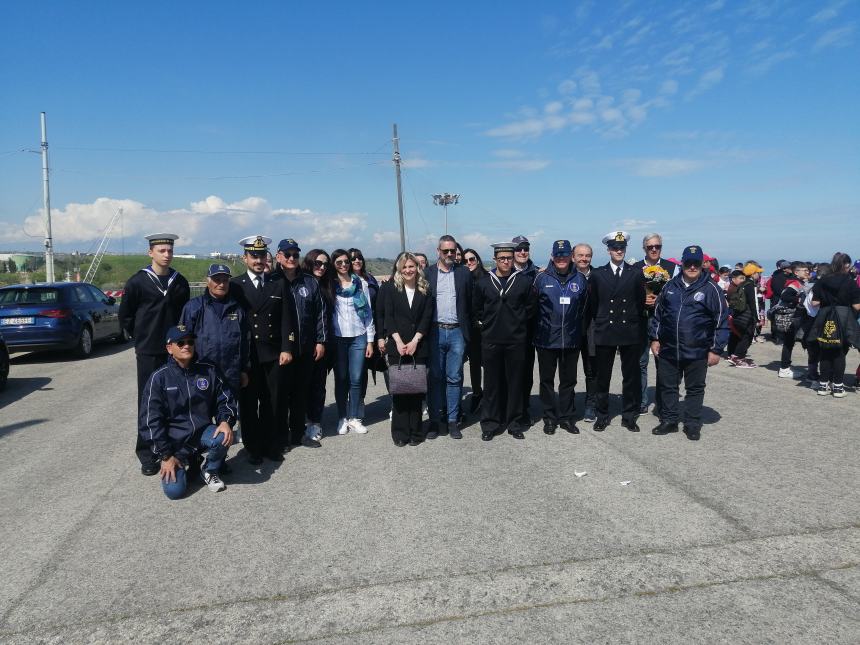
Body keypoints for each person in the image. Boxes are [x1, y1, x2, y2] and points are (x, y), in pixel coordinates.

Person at [119, 233, 190, 476]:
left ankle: (176, 448)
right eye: (161, 250)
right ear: (151, 252)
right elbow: (126, 316)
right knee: (149, 402)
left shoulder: (179, 282)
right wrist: (141, 338)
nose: (167, 254)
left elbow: (184, 317)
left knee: (177, 400)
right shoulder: (138, 282)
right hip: (149, 351)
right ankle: (148, 454)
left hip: (175, 351)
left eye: (169, 250)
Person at [140, 325, 238, 499]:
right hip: (174, 444)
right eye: (180, 342)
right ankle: (186, 461)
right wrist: (166, 456)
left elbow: (226, 398)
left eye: (190, 342)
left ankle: (209, 470)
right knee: (175, 492)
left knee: (223, 435)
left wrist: (225, 421)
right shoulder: (159, 378)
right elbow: (150, 421)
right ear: (169, 348)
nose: (187, 346)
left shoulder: (208, 369)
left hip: (201, 433)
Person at [649, 245, 729, 441]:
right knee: (668, 386)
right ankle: (669, 420)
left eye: (696, 263)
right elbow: (658, 315)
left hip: (697, 350)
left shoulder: (712, 289)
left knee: (694, 388)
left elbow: (721, 321)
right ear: (682, 262)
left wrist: (716, 349)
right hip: (669, 348)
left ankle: (692, 423)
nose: (692, 267)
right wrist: (655, 338)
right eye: (688, 262)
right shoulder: (669, 286)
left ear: (703, 264)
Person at [230, 235, 296, 464]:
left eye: (261, 255)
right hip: (248, 355)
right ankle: (253, 447)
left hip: (273, 353)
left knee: (273, 402)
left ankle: (272, 444)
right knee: (248, 405)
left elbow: (288, 318)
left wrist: (287, 347)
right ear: (245, 258)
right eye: (253, 255)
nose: (258, 260)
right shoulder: (235, 286)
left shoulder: (277, 283)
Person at [472, 242, 536, 441]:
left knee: (515, 383)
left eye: (509, 258)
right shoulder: (483, 282)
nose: (506, 262)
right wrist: (487, 326)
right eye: (502, 259)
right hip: (491, 340)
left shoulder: (524, 281)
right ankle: (491, 423)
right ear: (495, 260)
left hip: (516, 341)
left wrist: (517, 324)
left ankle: (514, 422)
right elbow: (477, 309)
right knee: (491, 384)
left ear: (513, 258)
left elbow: (531, 308)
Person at [589, 231, 647, 432]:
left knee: (630, 376)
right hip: (606, 330)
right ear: (608, 250)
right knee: (602, 377)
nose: (619, 251)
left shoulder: (635, 273)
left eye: (622, 248)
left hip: (629, 330)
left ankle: (629, 416)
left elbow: (640, 303)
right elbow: (593, 303)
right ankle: (602, 415)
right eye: (615, 248)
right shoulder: (598, 274)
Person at [532, 240, 589, 435]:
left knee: (568, 382)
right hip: (546, 339)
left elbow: (584, 308)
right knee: (546, 381)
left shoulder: (580, 280)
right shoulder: (541, 279)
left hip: (571, 340)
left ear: (570, 256)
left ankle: (566, 418)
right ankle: (549, 418)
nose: (561, 258)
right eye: (558, 255)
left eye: (565, 255)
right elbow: (533, 309)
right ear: (552, 256)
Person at [275, 238, 327, 448]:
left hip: (305, 347)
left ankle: (298, 434)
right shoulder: (271, 280)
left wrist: (321, 340)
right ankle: (280, 435)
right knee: (281, 393)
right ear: (278, 256)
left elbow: (320, 314)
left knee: (300, 392)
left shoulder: (309, 282)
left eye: (295, 255)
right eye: (287, 254)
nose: (291, 258)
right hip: (280, 350)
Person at [382, 253, 433, 446]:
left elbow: (426, 318)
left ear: (417, 268)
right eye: (404, 267)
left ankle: (416, 432)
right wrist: (397, 340)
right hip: (397, 346)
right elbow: (388, 316)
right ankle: (400, 433)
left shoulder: (425, 289)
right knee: (400, 391)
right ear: (399, 269)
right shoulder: (391, 289)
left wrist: (415, 341)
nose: (408, 270)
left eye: (411, 266)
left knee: (416, 392)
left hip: (418, 346)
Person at [425, 235, 473, 440]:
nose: (450, 254)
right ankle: (435, 421)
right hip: (434, 331)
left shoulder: (463, 273)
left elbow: (470, 303)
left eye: (453, 251)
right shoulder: (427, 273)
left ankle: (453, 420)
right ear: (438, 251)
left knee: (454, 378)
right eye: (446, 251)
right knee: (435, 378)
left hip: (456, 332)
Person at [179, 263, 249, 397]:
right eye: (217, 280)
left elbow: (245, 342)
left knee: (228, 415)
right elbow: (181, 342)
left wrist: (244, 370)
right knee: (201, 416)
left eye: (225, 280)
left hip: (230, 375)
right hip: (201, 374)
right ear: (208, 281)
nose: (221, 284)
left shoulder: (238, 310)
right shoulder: (193, 307)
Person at [327, 248, 376, 434]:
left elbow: (368, 313)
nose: (343, 265)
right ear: (334, 264)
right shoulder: (330, 284)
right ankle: (342, 417)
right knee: (341, 379)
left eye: (346, 261)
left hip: (359, 336)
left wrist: (370, 340)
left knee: (356, 379)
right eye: (339, 262)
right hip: (338, 338)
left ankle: (355, 417)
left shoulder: (360, 282)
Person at [630, 233, 679, 415]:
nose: (653, 249)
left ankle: (662, 402)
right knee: (641, 362)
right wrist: (642, 298)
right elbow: (627, 294)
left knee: (663, 363)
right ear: (644, 248)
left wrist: (659, 299)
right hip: (640, 320)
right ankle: (641, 401)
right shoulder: (634, 268)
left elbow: (678, 294)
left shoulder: (672, 268)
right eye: (650, 246)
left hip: (663, 322)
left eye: (657, 246)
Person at [810, 252, 860, 397]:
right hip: (844, 318)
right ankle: (838, 387)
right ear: (845, 265)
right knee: (839, 352)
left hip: (825, 317)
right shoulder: (849, 281)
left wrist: (828, 302)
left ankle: (823, 386)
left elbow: (814, 302)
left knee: (825, 350)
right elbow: (857, 306)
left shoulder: (822, 280)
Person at [302, 249, 332, 436]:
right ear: (309, 262)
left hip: (323, 342)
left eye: (325, 264)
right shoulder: (300, 282)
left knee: (318, 385)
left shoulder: (328, 285)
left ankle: (315, 421)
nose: (321, 267)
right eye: (317, 263)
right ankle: (301, 419)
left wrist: (321, 341)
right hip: (303, 342)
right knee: (302, 384)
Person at [511, 235, 538, 426]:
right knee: (510, 373)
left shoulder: (536, 273)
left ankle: (524, 408)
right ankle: (509, 408)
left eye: (525, 249)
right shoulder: (506, 271)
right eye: (519, 249)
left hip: (529, 331)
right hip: (509, 332)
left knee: (526, 372)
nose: (522, 252)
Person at [573, 243, 598, 422]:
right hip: (571, 330)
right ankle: (569, 404)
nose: (584, 258)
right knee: (568, 371)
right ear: (573, 257)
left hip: (592, 330)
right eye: (580, 255)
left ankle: (591, 404)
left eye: (587, 255)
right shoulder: (566, 276)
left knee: (591, 371)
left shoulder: (598, 276)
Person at [775, 262, 811, 378]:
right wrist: (799, 300)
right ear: (796, 272)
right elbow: (785, 296)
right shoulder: (794, 283)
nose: (807, 272)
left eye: (807, 270)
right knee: (788, 343)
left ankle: (785, 368)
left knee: (789, 342)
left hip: (794, 316)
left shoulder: (800, 282)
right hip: (790, 317)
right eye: (804, 270)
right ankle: (784, 368)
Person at [463, 248, 487, 413]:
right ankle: (477, 393)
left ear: (477, 260)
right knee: (474, 364)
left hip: (487, 327)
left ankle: (490, 395)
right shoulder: (462, 278)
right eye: (465, 261)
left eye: (472, 259)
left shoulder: (486, 278)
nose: (469, 263)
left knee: (490, 364)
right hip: (471, 329)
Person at [725, 264, 761, 367]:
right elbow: (754, 303)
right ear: (753, 274)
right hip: (747, 315)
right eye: (758, 273)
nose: (759, 274)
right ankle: (738, 357)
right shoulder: (751, 285)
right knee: (747, 336)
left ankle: (732, 354)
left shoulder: (742, 284)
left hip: (738, 314)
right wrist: (757, 318)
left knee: (737, 335)